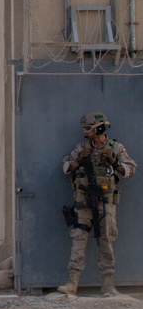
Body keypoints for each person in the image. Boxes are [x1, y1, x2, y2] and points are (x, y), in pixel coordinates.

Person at [57, 111, 136, 297]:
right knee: (79, 238)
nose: (86, 133)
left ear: (99, 128)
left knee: (106, 240)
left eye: (89, 129)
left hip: (106, 201)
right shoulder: (82, 148)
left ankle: (108, 285)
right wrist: (79, 160)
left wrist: (114, 161)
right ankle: (72, 283)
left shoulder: (115, 147)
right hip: (84, 200)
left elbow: (129, 170)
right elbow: (66, 168)